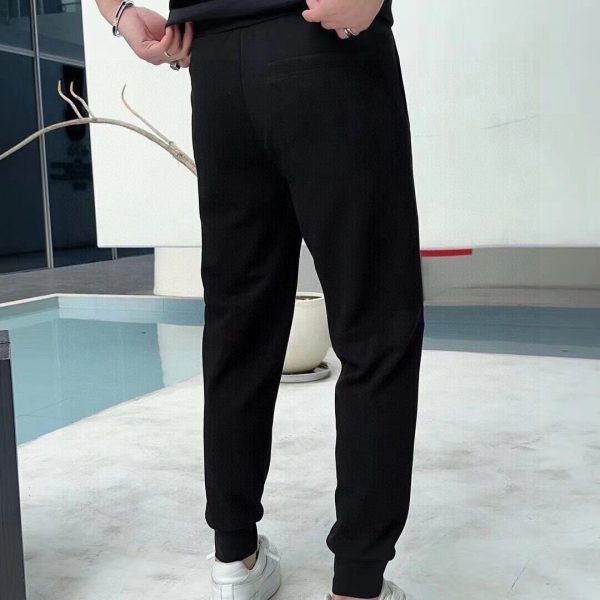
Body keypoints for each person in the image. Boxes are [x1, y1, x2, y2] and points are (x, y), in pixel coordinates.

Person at [95, 1, 425, 599]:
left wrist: (118, 12)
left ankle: (236, 558)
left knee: (237, 322)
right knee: (375, 322)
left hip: (218, 69)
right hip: (327, 48)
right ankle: (356, 585)